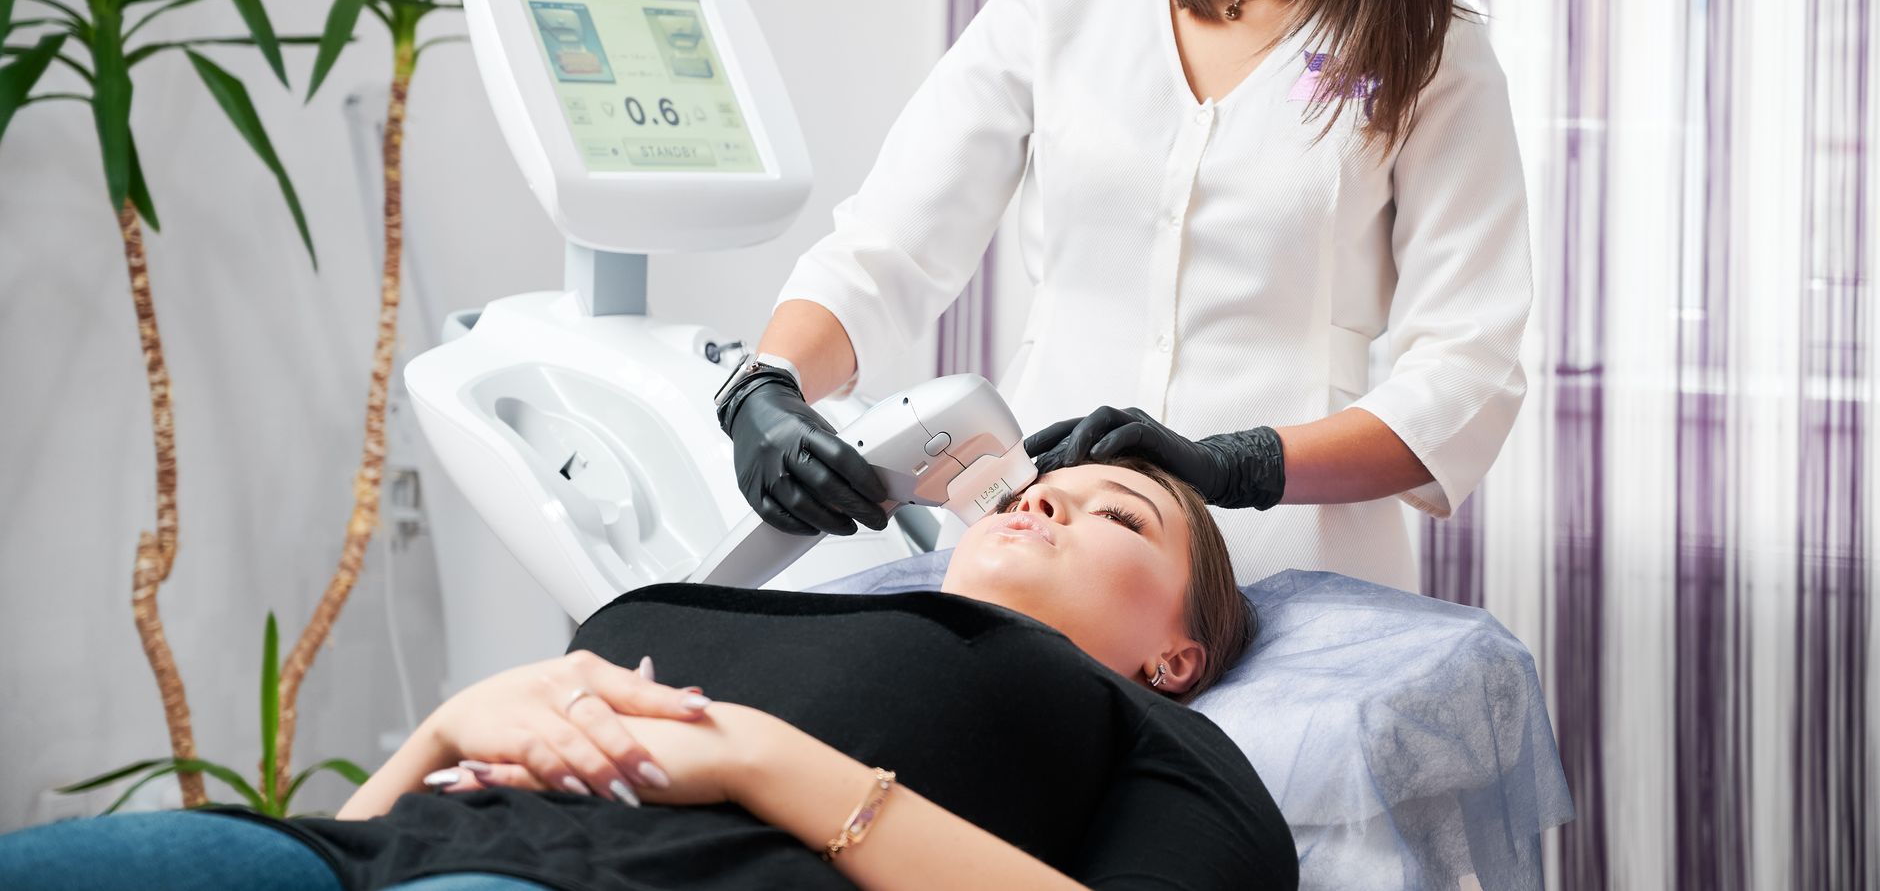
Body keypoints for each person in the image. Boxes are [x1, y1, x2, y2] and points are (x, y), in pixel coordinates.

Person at [721, 0, 1531, 590]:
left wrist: (1237, 464)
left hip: (1292, 569)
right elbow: (888, 249)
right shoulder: (1062, 3)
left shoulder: (1431, 57)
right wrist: (766, 389)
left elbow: (1464, 378)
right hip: (1039, 555)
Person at [0, 461, 1297, 891]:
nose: (1045, 502)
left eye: (1117, 516)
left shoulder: (1146, 730)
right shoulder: (769, 603)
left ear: (1177, 652)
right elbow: (412, 811)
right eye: (1035, 489)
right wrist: (445, 720)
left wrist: (752, 759)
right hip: (364, 851)